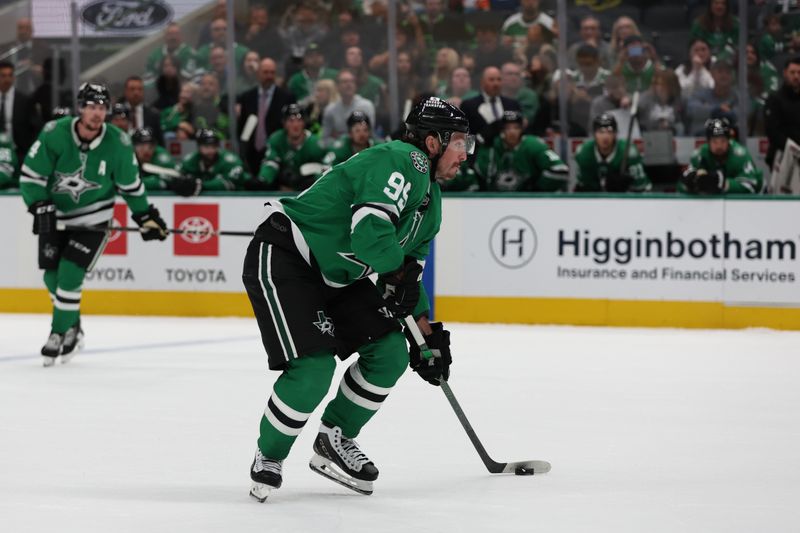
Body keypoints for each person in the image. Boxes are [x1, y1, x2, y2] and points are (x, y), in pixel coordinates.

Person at [242, 96, 468, 502]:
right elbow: (370, 229)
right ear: (433, 143)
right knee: (313, 370)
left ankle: (335, 437)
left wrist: (425, 331)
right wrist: (396, 275)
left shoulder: (432, 202)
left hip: (340, 275)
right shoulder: (404, 160)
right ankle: (270, 455)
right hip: (289, 256)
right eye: (459, 144)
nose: (464, 156)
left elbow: (408, 273)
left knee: (391, 353)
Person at [19, 83, 168, 365]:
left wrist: (145, 216)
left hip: (94, 219)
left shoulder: (119, 143)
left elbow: (131, 187)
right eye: (91, 107)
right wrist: (39, 203)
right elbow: (30, 176)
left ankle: (58, 333)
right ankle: (74, 326)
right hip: (56, 216)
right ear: (80, 108)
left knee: (69, 275)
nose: (97, 113)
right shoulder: (55, 133)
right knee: (51, 279)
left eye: (102, 108)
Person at [475, 110, 567, 191]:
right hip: (494, 201)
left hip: (528, 202)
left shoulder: (533, 144)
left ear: (522, 129)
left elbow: (561, 170)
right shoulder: (491, 145)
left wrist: (537, 189)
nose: (512, 132)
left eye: (516, 127)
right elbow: (475, 171)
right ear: (501, 130)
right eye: (508, 128)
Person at [237, 58, 296, 174]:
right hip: (251, 154)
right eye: (265, 72)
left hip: (277, 153)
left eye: (272, 72)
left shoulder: (286, 97)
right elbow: (242, 126)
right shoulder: (247, 97)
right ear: (258, 73)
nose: (269, 76)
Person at [680, 118, 763, 194]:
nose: (719, 146)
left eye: (723, 141)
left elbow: (751, 185)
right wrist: (690, 184)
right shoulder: (699, 155)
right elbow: (681, 185)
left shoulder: (740, 155)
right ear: (708, 142)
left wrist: (725, 184)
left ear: (729, 141)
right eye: (715, 142)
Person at [256, 103, 326, 191]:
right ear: (284, 123)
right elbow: (271, 163)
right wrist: (264, 179)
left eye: (299, 120)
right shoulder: (276, 139)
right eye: (291, 120)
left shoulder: (315, 143)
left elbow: (325, 169)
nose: (295, 125)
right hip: (282, 190)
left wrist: (312, 181)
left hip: (310, 192)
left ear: (304, 123)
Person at [574, 113, 651, 193]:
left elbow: (642, 188)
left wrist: (628, 188)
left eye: (609, 131)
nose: (605, 136)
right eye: (601, 132)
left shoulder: (628, 151)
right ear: (594, 134)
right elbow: (583, 189)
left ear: (615, 133)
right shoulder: (584, 152)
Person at [460, 66, 522, 145]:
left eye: (499, 79)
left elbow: (520, 132)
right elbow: (465, 138)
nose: (496, 83)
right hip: (480, 154)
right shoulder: (469, 106)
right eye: (491, 80)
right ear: (482, 82)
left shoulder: (513, 104)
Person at [132, 127, 198, 196]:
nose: (146, 150)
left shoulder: (161, 156)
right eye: (141, 145)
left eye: (150, 146)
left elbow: (172, 178)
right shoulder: (128, 156)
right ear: (133, 146)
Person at [180, 129, 248, 192]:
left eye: (214, 146)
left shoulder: (230, 161)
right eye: (206, 146)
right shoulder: (190, 160)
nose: (211, 150)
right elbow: (180, 176)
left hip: (234, 201)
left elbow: (230, 183)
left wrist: (201, 185)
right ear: (199, 146)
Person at [321, 69, 376, 145]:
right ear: (337, 87)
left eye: (352, 81)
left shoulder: (366, 106)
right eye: (344, 82)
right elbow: (324, 139)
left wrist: (339, 135)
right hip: (340, 150)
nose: (349, 84)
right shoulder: (330, 109)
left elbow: (369, 134)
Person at [0, 60, 40, 164]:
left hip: (20, 153)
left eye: (10, 75)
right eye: (3, 76)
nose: (7, 79)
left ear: (14, 77)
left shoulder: (25, 101)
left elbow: (36, 128)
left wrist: (30, 152)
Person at [765, 57, 800, 168]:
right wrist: (795, 150)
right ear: (785, 73)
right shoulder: (774, 99)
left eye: (799, 73)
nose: (796, 76)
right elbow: (772, 131)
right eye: (792, 72)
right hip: (782, 156)